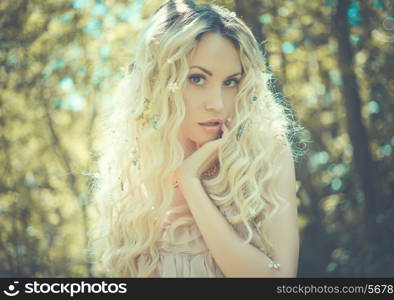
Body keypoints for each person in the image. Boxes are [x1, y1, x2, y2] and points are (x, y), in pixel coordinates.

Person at [88, 0, 307, 278]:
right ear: (159, 81)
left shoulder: (266, 155)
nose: (217, 103)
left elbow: (280, 279)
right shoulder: (133, 166)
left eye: (231, 82)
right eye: (197, 79)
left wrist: (190, 182)